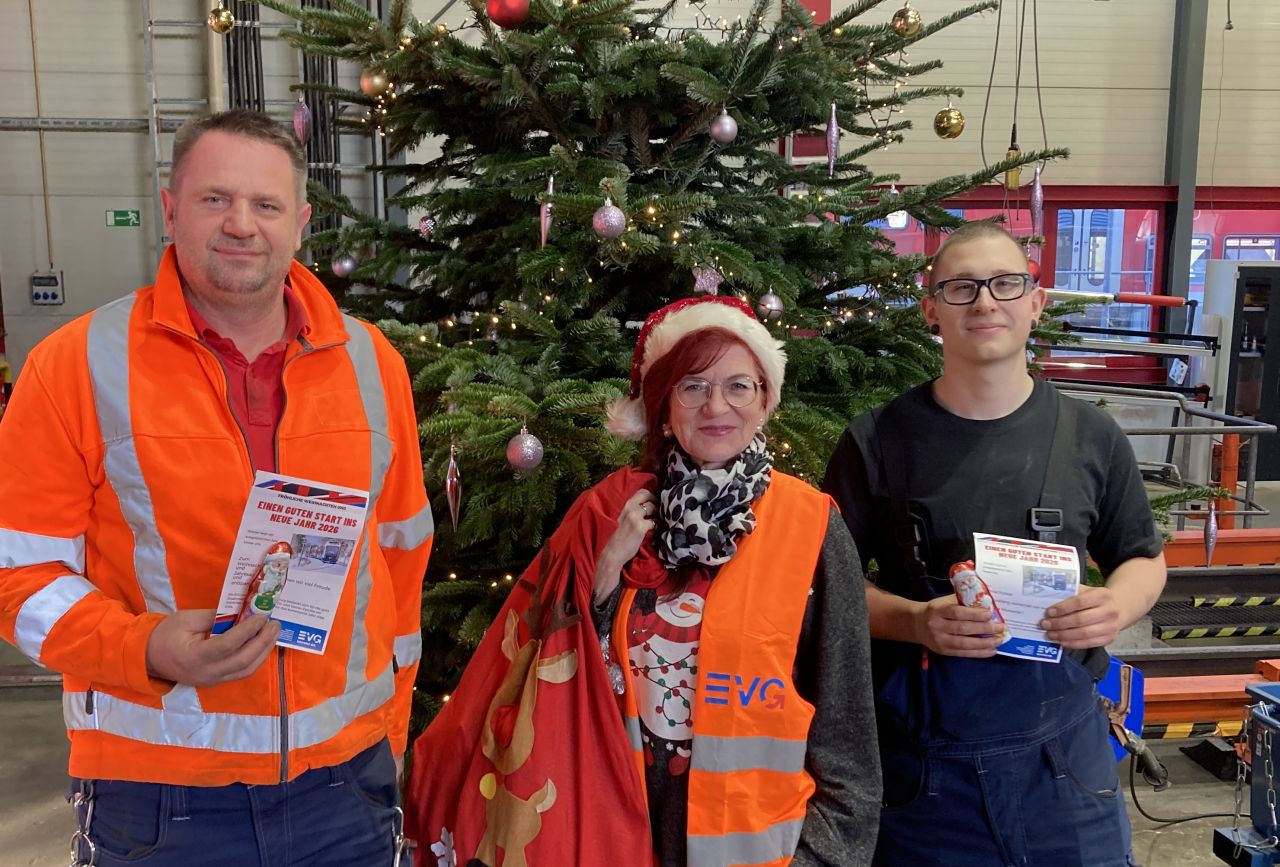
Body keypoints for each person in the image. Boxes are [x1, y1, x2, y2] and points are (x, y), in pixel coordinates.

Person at [0, 109, 433, 866]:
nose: (241, 224)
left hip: (347, 788)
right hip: (161, 797)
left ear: (300, 223)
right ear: (171, 209)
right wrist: (146, 648)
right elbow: (17, 575)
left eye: (266, 204)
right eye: (214, 199)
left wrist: (390, 732)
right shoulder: (74, 365)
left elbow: (400, 556)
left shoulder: (373, 363)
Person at [407, 295, 880, 867]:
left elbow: (847, 735)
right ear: (662, 407)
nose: (716, 406)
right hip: (606, 835)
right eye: (692, 386)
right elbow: (546, 673)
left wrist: (823, 859)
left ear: (764, 402)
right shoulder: (606, 513)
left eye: (738, 386)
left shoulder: (812, 526)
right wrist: (606, 575)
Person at [822, 222, 1167, 867]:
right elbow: (825, 588)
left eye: (1005, 284)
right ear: (930, 310)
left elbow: (1143, 559)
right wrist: (915, 620)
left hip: (1066, 774)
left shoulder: (1092, 436)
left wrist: (1116, 606)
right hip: (924, 783)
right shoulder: (875, 442)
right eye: (961, 288)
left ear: (1035, 303)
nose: (984, 302)